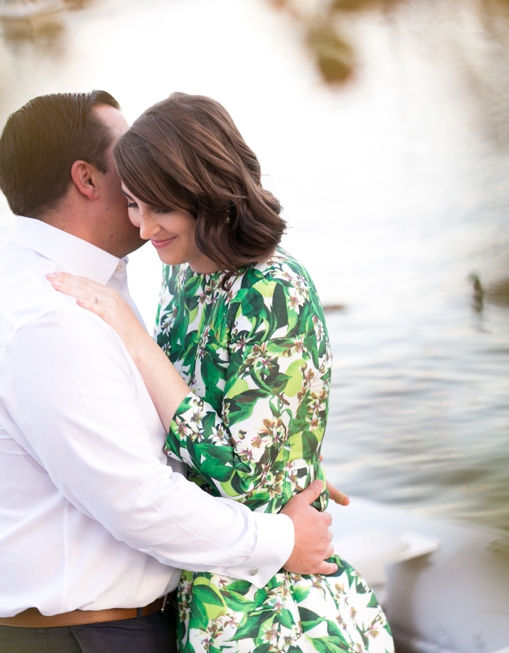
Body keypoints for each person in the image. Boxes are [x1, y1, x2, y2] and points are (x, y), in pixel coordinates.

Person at [0, 90, 337, 653]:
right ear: (86, 179)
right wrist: (281, 540)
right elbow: (138, 502)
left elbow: (164, 428)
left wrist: (289, 455)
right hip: (79, 637)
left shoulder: (92, 286)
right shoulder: (51, 318)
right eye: (125, 154)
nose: (141, 170)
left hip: (109, 626)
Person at [49, 93, 394, 653]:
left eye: (158, 208)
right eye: (135, 205)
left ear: (204, 192)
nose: (142, 228)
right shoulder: (184, 278)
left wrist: (133, 338)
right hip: (213, 587)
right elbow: (195, 418)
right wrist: (294, 456)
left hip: (271, 612)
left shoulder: (272, 289)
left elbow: (240, 473)